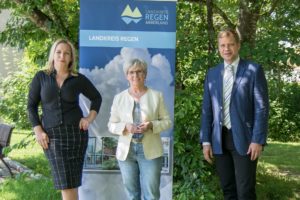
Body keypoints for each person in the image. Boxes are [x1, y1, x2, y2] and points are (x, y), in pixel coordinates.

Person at [27, 39, 102, 200]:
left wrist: (89, 118)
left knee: (71, 183)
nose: (62, 56)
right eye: (59, 52)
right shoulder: (41, 77)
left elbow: (96, 98)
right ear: (53, 55)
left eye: (66, 53)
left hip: (77, 136)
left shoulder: (78, 79)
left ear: (71, 58)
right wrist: (38, 130)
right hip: (52, 137)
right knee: (65, 182)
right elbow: (31, 106)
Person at [200, 28, 269, 200]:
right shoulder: (212, 74)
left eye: (230, 44)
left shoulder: (253, 70)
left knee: (245, 191)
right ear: (218, 47)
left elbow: (261, 108)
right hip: (219, 139)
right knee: (228, 189)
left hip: (245, 139)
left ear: (238, 46)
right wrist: (206, 141)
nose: (226, 49)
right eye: (222, 45)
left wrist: (257, 140)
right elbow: (207, 109)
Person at [108, 58, 171, 200]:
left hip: (150, 151)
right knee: (132, 195)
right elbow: (111, 125)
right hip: (127, 152)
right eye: (131, 72)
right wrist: (125, 126)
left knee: (152, 195)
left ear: (145, 74)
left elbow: (167, 122)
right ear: (126, 75)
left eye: (139, 72)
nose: (135, 76)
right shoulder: (119, 98)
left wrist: (151, 125)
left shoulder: (156, 96)